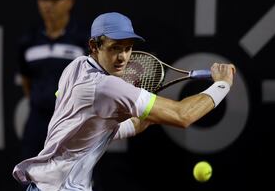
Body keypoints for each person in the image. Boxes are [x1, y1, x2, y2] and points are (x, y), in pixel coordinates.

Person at [12, 12, 236, 191]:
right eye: (114, 48)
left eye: (128, 48)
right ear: (94, 46)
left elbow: (97, 128)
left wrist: (150, 116)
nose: (122, 58)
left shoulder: (76, 66)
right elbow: (183, 116)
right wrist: (222, 85)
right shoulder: (107, 87)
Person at [17, 0, 88, 162]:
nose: (47, 5)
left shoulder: (84, 39)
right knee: (30, 179)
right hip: (37, 121)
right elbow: (26, 80)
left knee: (77, 182)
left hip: (73, 122)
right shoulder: (28, 40)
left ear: (69, 2)